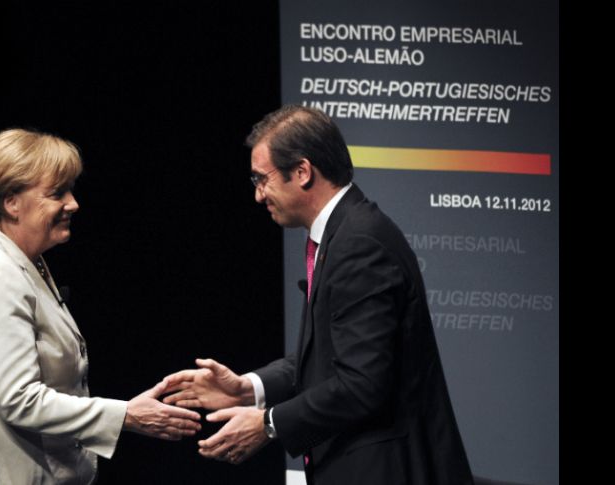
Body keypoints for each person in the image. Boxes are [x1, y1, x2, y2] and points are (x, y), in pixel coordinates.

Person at [163, 106, 473, 485]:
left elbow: (362, 383)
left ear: (303, 172)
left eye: (262, 179)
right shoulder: (342, 234)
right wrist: (249, 388)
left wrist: (269, 424)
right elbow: (329, 356)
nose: (259, 196)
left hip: (385, 470)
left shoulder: (359, 244)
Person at [0, 128, 201, 485]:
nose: (73, 203)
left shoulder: (22, 260)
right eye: (57, 194)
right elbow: (18, 399)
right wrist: (125, 415)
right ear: (11, 202)